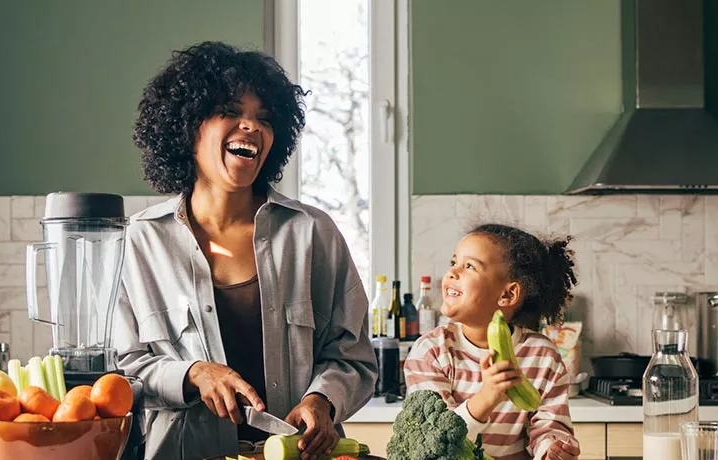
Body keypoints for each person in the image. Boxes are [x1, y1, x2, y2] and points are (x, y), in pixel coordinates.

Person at [111, 41, 378, 460]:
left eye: (264, 119)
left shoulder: (312, 233)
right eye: (232, 112)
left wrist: (322, 400)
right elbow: (120, 371)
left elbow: (353, 356)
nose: (252, 127)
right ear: (188, 127)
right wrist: (193, 374)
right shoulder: (139, 243)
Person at [404, 224, 581, 460]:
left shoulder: (542, 355)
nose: (452, 273)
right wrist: (488, 396)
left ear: (507, 295)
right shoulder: (431, 350)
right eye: (454, 262)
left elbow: (548, 425)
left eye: (469, 266)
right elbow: (434, 441)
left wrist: (552, 449)